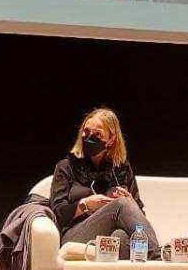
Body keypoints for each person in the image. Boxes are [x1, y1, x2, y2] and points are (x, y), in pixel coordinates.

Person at [49, 108, 161, 260]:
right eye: (86, 131)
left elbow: (139, 220)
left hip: (108, 237)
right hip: (76, 233)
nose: (89, 137)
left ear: (111, 140)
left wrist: (132, 202)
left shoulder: (121, 169)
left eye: (97, 134)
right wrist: (85, 205)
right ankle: (157, 257)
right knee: (121, 204)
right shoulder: (66, 167)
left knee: (120, 237)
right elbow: (57, 213)